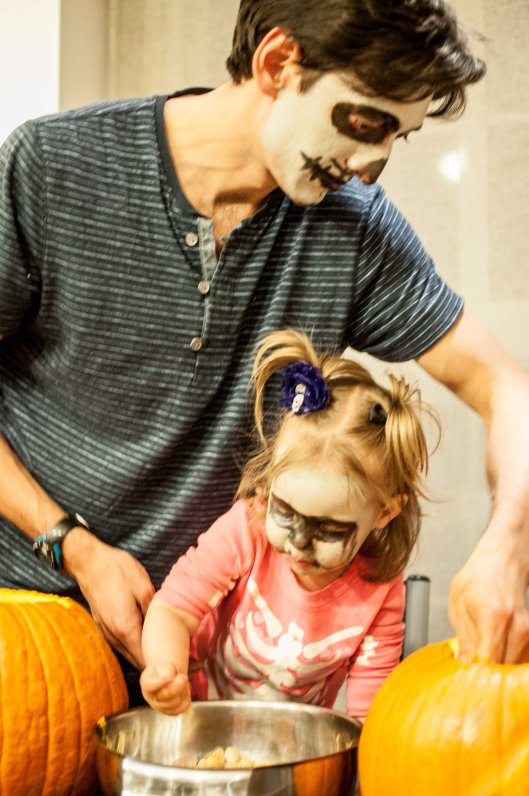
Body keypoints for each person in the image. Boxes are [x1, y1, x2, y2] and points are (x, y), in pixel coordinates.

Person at [0, 0, 528, 704]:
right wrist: (71, 542)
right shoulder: (51, 165)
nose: (372, 168)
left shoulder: (355, 230)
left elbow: (504, 386)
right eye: (368, 123)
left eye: (396, 139)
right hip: (30, 634)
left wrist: (507, 545)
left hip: (202, 684)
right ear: (277, 62)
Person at [140, 329, 434, 719]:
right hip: (199, 726)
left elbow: (370, 713)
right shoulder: (247, 529)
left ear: (385, 512)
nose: (298, 542)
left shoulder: (379, 587)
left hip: (293, 750)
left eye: (329, 529)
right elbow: (174, 610)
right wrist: (166, 670)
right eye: (285, 511)